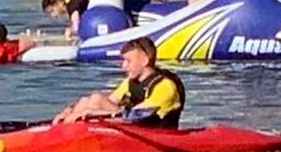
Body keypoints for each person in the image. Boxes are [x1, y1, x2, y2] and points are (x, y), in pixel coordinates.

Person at [55, 37, 186, 126]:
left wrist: (90, 113)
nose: (123, 66)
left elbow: (136, 116)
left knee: (97, 99)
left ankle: (76, 132)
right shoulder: (130, 82)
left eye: (128, 61)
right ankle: (65, 128)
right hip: (133, 124)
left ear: (145, 60)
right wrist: (68, 111)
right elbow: (107, 102)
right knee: (90, 100)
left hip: (155, 132)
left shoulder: (165, 87)